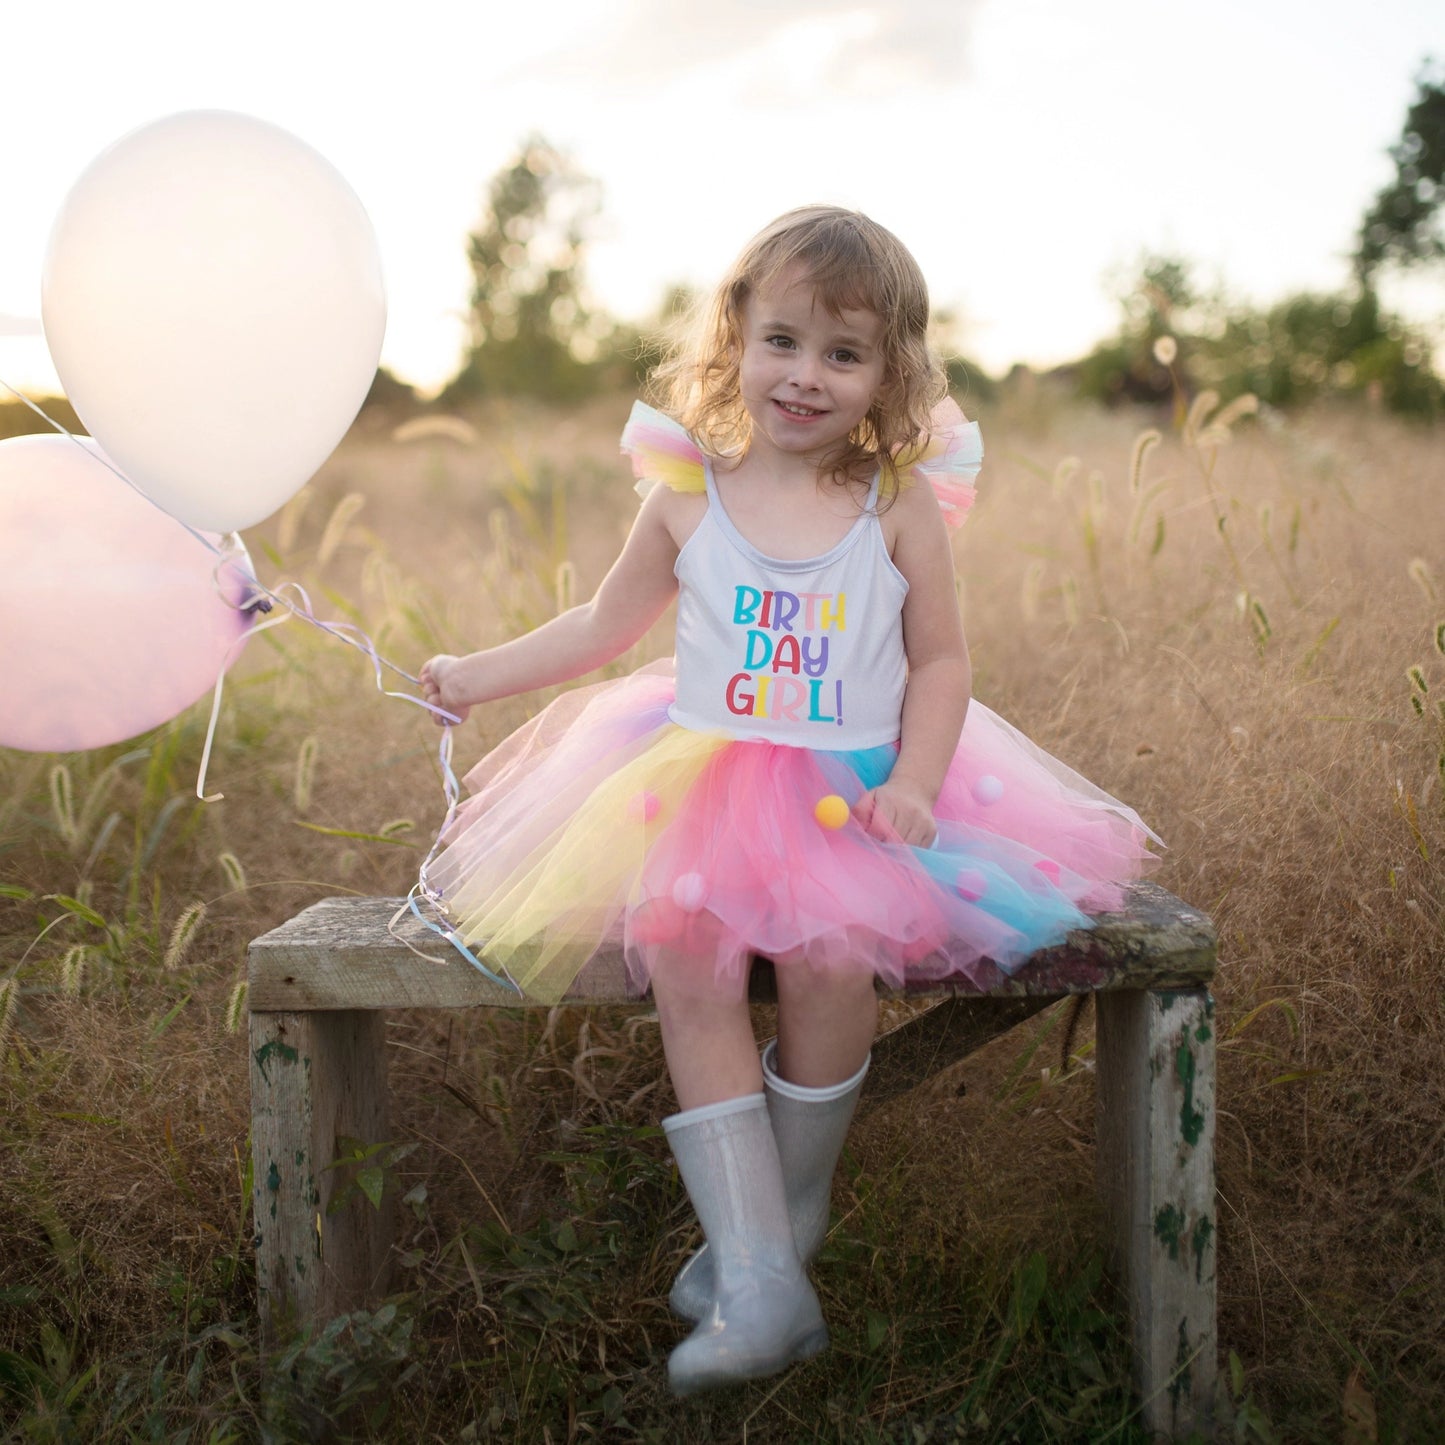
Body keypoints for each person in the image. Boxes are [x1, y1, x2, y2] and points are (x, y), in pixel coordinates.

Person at [419, 205, 1159, 1395]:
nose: (804, 376)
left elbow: (941, 660)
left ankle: (777, 1236)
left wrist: (915, 781)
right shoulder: (685, 492)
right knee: (690, 955)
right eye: (781, 341)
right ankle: (760, 1275)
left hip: (859, 786)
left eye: (842, 353)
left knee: (829, 966)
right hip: (706, 774)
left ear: (888, 372)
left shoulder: (896, 501)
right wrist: (474, 674)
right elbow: (604, 627)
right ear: (734, 342)